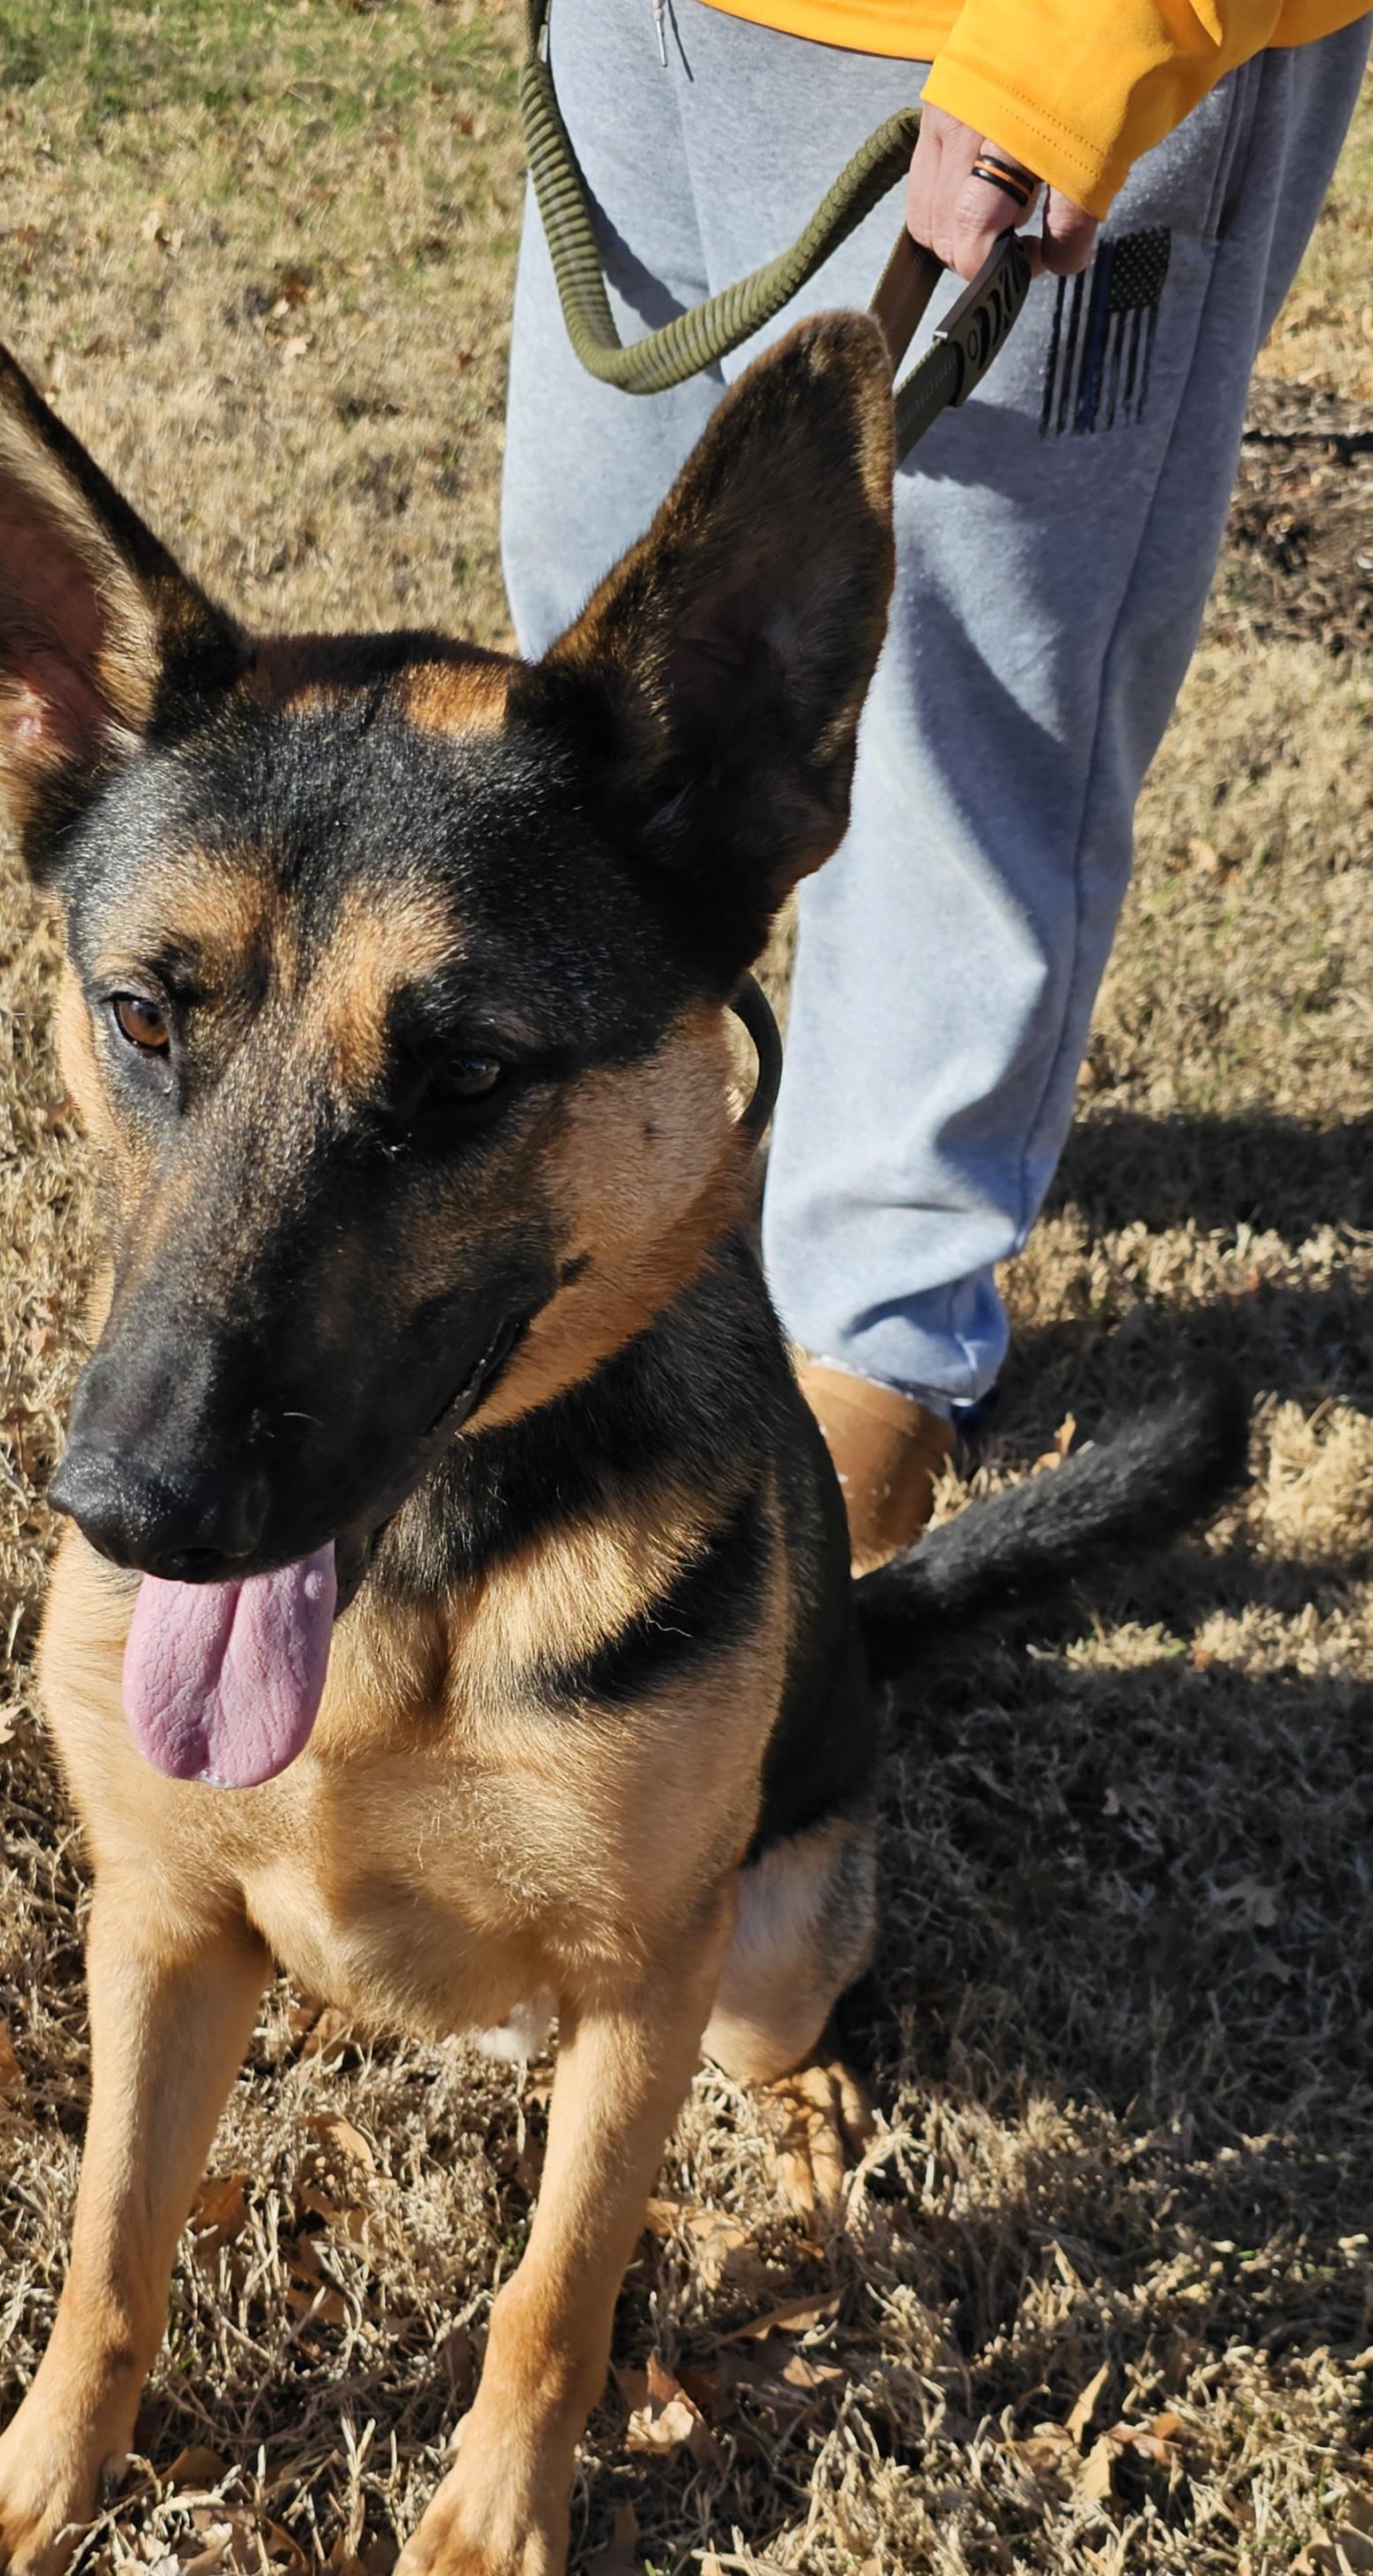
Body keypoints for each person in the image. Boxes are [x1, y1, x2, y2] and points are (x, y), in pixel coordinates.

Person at [502, 0, 1370, 1567]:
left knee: (955, 743)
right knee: (599, 681)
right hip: (652, 30)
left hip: (1011, 55)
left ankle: (876, 1333)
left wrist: (1084, 40)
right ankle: (632, 1173)